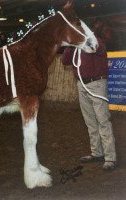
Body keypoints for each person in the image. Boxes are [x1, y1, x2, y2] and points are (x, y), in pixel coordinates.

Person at [61, 26, 116, 171]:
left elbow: (97, 48)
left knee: (102, 120)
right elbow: (65, 61)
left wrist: (83, 40)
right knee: (90, 120)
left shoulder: (95, 42)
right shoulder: (75, 46)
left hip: (96, 83)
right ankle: (97, 152)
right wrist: (70, 45)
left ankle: (110, 157)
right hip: (82, 85)